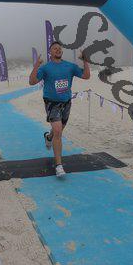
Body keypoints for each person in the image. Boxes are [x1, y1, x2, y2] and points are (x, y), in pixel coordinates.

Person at [29, 41, 90, 176]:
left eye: (59, 48)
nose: (57, 50)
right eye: (54, 48)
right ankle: (59, 166)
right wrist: (36, 66)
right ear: (50, 53)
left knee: (58, 130)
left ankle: (48, 137)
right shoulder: (46, 68)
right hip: (52, 103)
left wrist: (85, 61)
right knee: (58, 132)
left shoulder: (70, 66)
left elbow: (86, 76)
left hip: (66, 102)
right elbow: (32, 81)